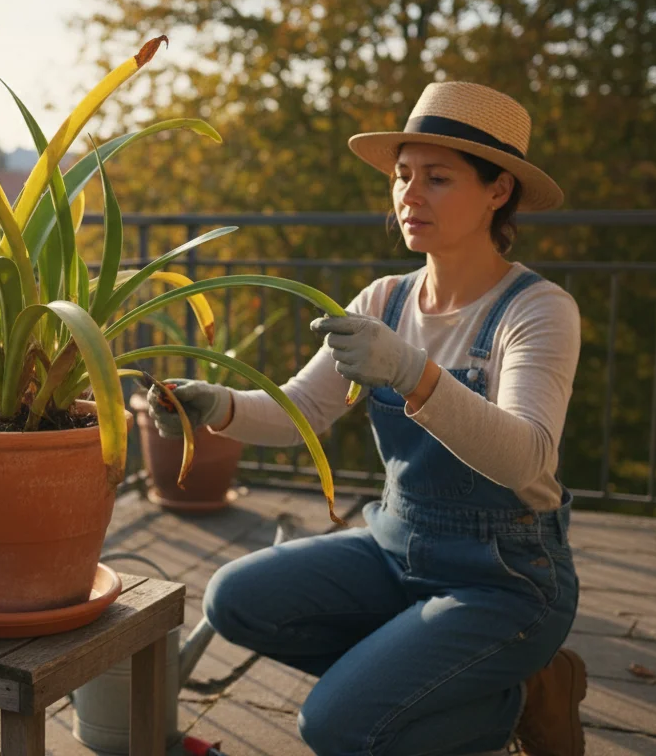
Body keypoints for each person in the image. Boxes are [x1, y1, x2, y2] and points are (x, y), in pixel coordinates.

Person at [147, 81, 586, 756]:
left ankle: (526, 694)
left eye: (437, 179)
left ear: (499, 190)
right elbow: (303, 411)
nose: (409, 195)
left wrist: (413, 373)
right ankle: (448, 679)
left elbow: (528, 460)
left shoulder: (537, 310)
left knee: (337, 726)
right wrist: (216, 406)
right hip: (395, 546)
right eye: (403, 176)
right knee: (232, 598)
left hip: (505, 576)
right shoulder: (383, 300)